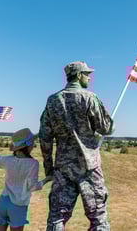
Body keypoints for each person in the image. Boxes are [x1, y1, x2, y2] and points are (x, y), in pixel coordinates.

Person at [39, 61, 115, 231]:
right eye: (87, 74)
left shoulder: (53, 101)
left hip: (63, 168)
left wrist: (49, 168)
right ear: (79, 75)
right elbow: (106, 128)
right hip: (89, 167)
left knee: (56, 217)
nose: (89, 77)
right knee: (98, 219)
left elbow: (45, 137)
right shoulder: (89, 98)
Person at [0, 129, 52, 231]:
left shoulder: (8, 160)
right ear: (27, 146)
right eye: (32, 143)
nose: (33, 145)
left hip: (2, 202)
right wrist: (46, 180)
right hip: (18, 205)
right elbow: (33, 187)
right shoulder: (33, 163)